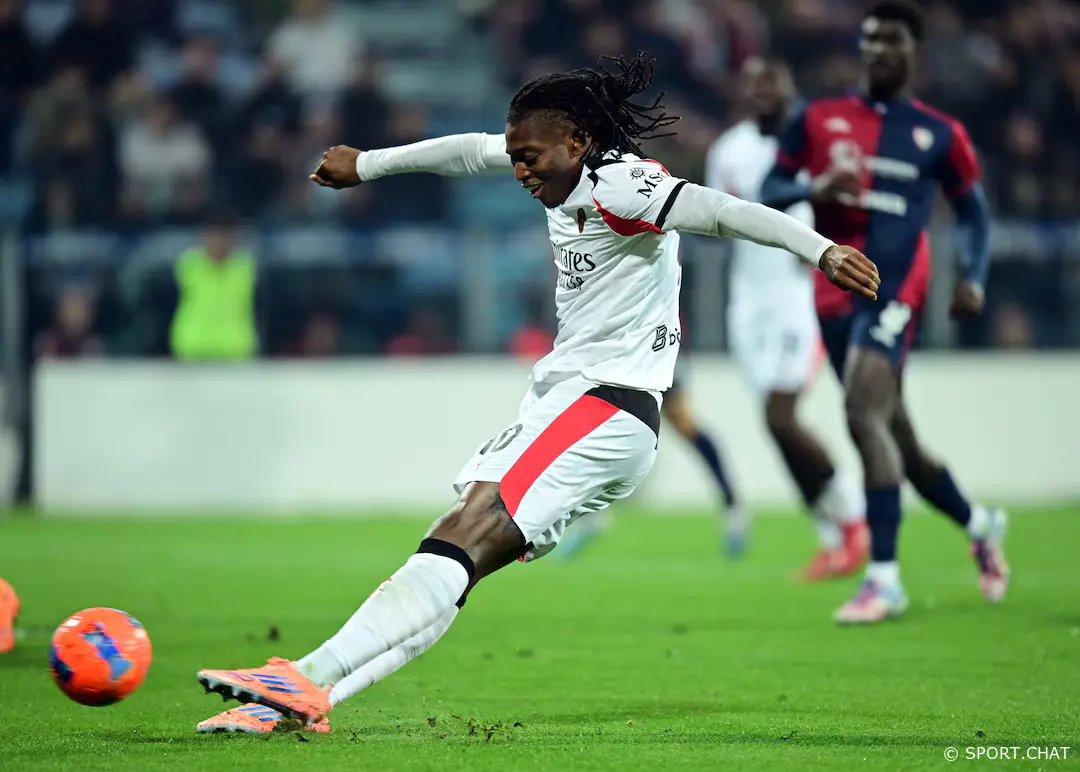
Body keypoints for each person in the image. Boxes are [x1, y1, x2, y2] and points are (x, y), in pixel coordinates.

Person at [194, 53, 880, 733]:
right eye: (516, 157)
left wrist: (821, 250)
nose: (520, 171)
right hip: (569, 402)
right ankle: (302, 703)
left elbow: (724, 211)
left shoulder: (624, 185)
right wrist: (368, 164)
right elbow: (468, 152)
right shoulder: (555, 159)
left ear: (577, 142)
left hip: (607, 403)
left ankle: (304, 674)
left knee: (463, 531)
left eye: (530, 158)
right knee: (456, 554)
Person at [760, 0, 1008, 624]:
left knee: (859, 413)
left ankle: (885, 580)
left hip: (897, 290)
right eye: (870, 39)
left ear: (913, 51)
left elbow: (974, 213)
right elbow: (770, 189)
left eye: (891, 40)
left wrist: (973, 277)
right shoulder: (818, 118)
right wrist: (812, 189)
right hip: (832, 294)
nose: (878, 50)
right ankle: (980, 524)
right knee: (899, 439)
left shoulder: (938, 133)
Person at [708, 57, 867, 580]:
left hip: (797, 298)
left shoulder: (813, 143)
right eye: (752, 85)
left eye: (770, 84)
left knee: (781, 416)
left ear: (789, 89)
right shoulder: (727, 151)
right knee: (775, 426)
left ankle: (854, 517)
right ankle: (832, 537)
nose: (761, 93)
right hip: (746, 303)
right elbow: (714, 221)